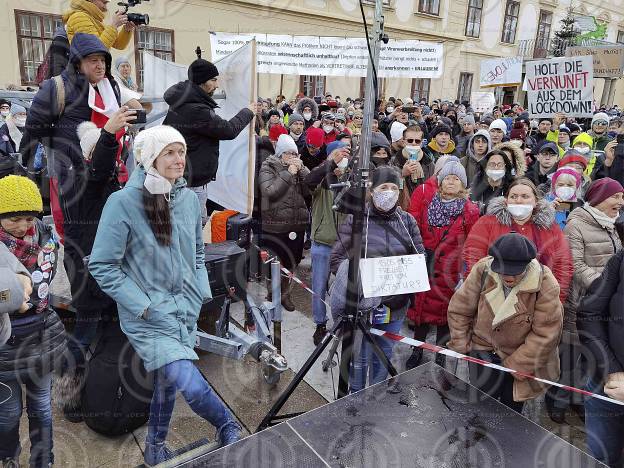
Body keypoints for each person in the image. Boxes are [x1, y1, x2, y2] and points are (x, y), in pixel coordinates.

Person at [89, 126, 241, 465]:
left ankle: (155, 451)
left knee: (165, 384)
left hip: (183, 311)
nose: (179, 159)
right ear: (149, 158)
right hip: (149, 317)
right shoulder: (123, 203)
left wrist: (200, 290)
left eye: (181, 151)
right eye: (169, 152)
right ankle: (228, 426)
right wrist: (144, 307)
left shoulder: (187, 200)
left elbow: (199, 252)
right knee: (192, 384)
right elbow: (103, 265)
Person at [330, 166, 424, 392]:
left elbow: (419, 256)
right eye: (384, 187)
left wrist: (405, 279)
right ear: (371, 190)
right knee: (360, 356)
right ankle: (356, 396)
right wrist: (361, 278)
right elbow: (337, 258)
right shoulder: (357, 219)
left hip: (396, 305)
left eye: (394, 188)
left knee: (384, 354)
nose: (389, 192)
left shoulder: (407, 220)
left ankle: (377, 398)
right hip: (364, 305)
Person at [448, 233, 563, 412]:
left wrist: (517, 364)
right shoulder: (483, 270)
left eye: (515, 271)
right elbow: (459, 309)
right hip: (483, 350)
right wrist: (461, 341)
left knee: (511, 410)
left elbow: (546, 334)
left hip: (520, 355)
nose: (508, 276)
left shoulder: (546, 284)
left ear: (526, 265)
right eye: (502, 269)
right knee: (481, 405)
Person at [544, 178, 624, 424]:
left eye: (622, 197)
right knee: (568, 357)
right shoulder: (577, 224)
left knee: (591, 359)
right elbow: (575, 264)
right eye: (615, 196)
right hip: (581, 302)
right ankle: (555, 402)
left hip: (605, 306)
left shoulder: (615, 225)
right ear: (599, 198)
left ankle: (578, 401)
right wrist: (605, 285)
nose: (620, 202)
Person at [0, 175, 67, 467]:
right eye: (14, 219)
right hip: (5, 342)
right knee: (8, 410)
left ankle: (43, 460)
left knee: (41, 406)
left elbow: (48, 281)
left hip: (40, 335)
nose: (22, 227)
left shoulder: (45, 238)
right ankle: (7, 456)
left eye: (28, 218)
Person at [406, 160, 480, 369]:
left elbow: (473, 244)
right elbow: (417, 231)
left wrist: (466, 274)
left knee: (446, 314)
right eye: (447, 177)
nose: (451, 182)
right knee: (420, 312)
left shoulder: (470, 210)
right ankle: (417, 348)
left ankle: (440, 354)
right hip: (426, 266)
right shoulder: (430, 204)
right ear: (440, 181)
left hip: (451, 271)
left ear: (463, 184)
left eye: (456, 179)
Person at [163, 58, 255, 224]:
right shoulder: (197, 109)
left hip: (184, 180)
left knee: (188, 229)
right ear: (201, 81)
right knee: (193, 232)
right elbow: (228, 130)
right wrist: (248, 112)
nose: (217, 85)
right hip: (190, 184)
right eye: (213, 80)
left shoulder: (185, 101)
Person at [464, 177, 573, 305]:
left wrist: (554, 300)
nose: (519, 200)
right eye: (514, 196)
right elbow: (473, 259)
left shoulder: (550, 227)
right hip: (493, 298)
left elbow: (563, 265)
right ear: (506, 200)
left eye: (525, 196)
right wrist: (479, 295)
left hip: (538, 300)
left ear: (535, 201)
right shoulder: (487, 223)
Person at [577, 249, 624, 467]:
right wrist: (611, 371)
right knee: (601, 457)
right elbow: (590, 312)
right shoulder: (621, 259)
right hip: (604, 384)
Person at [304, 140, 352, 344]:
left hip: (346, 244)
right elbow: (308, 182)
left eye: (345, 155)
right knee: (318, 285)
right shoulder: (322, 177)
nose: (342, 160)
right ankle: (320, 323)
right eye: (338, 155)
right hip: (322, 241)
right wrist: (330, 165)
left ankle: (342, 320)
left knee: (345, 287)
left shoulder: (353, 178)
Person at [258, 134, 310, 311]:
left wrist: (302, 170)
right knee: (274, 262)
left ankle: (286, 295)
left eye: (294, 153)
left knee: (291, 263)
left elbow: (310, 188)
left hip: (296, 224)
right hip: (275, 225)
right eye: (288, 153)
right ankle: (272, 294)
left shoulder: (296, 168)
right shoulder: (268, 166)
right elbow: (270, 192)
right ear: (280, 153)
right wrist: (288, 173)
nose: (292, 157)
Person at [62, 0, 135, 49]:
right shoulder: (79, 17)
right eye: (104, 2)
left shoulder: (93, 18)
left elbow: (119, 45)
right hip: (87, 70)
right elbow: (95, 49)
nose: (106, 8)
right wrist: (114, 25)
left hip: (94, 68)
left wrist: (126, 29)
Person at [391, 125, 433, 207]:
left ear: (421, 143)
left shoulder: (428, 163)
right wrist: (401, 175)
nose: (413, 143)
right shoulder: (394, 161)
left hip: (421, 207)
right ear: (403, 142)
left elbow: (432, 188)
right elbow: (390, 187)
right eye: (410, 140)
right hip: (400, 206)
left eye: (417, 141)